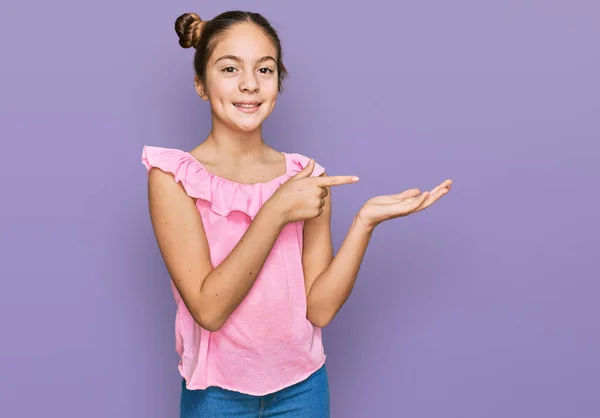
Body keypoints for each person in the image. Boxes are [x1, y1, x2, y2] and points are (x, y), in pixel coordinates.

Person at [141, 10, 452, 418]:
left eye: (264, 69)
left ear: (278, 83)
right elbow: (209, 310)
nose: (249, 83)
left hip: (302, 390)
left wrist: (364, 223)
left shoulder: (305, 177)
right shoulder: (174, 179)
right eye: (230, 68)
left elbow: (319, 309)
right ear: (201, 83)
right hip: (215, 395)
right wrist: (276, 211)